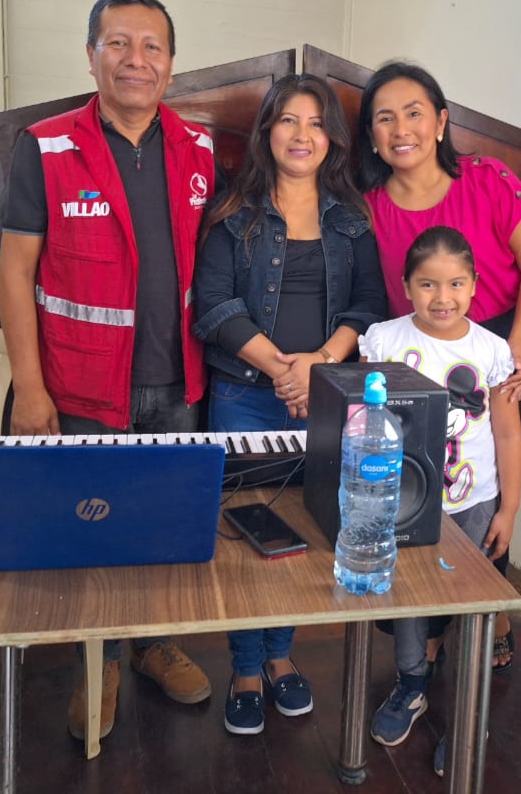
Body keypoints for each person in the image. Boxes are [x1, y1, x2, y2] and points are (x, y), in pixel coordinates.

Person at [0, 0, 214, 741]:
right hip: (82, 386)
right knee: (92, 534)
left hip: (178, 383)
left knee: (159, 528)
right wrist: (29, 387)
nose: (135, 60)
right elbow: (14, 272)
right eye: (118, 43)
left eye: (152, 46)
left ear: (172, 65)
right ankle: (99, 662)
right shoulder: (47, 146)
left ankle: (151, 644)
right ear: (91, 56)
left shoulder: (200, 149)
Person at [193, 73, 387, 734]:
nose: (302, 135)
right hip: (245, 395)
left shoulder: (351, 219)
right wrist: (282, 368)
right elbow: (214, 305)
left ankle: (281, 656)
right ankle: (246, 668)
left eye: (316, 123)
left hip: (324, 399)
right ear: (267, 131)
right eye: (288, 121)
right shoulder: (233, 211)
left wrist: (320, 366)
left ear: (332, 138)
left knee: (302, 533)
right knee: (245, 534)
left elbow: (368, 304)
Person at [358, 60, 521, 670]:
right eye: (384, 118)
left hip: (492, 346)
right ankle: (428, 630)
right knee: (422, 493)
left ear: (441, 122)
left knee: (483, 480)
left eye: (414, 113)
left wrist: (516, 341)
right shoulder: (368, 208)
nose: (401, 129)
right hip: (414, 359)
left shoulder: (488, 179)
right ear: (371, 135)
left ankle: (488, 609)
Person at [359, 226, 521, 775]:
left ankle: (466, 712)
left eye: (455, 284)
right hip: (404, 499)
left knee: (467, 605)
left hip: (473, 502)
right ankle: (411, 684)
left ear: (474, 285)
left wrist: (509, 509)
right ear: (407, 286)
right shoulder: (382, 340)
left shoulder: (492, 350)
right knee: (408, 595)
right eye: (428, 284)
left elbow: (507, 432)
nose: (442, 297)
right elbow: (363, 419)